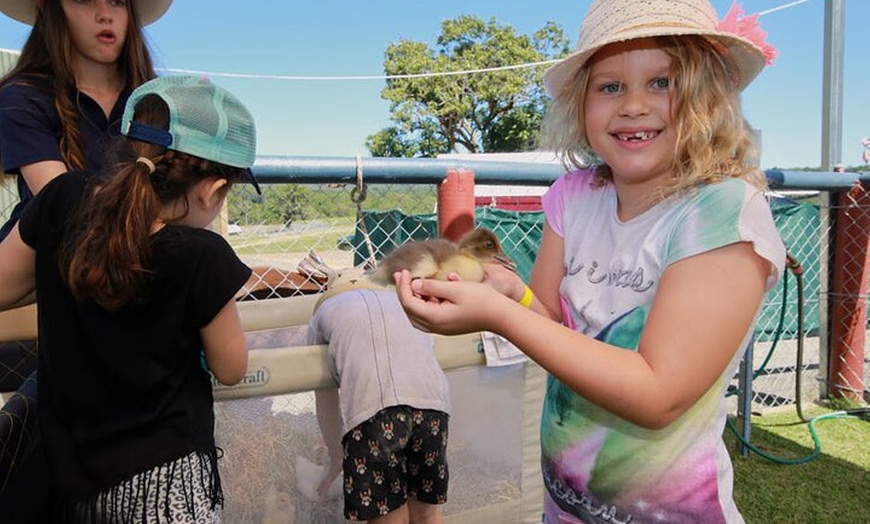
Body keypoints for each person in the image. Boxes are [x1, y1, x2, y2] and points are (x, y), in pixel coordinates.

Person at [395, 1, 786, 523]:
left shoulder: (719, 211)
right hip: (565, 507)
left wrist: (496, 314)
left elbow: (658, 392)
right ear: (581, 105)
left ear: (709, 99)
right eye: (609, 86)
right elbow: (555, 327)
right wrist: (511, 295)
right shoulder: (573, 198)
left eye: (662, 83)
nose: (632, 106)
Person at [0, 74, 258, 522]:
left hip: (72, 481)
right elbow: (232, 368)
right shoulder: (203, 256)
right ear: (212, 190)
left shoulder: (63, 199)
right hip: (167, 490)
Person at [0, 0, 170, 239]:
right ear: (48, 8)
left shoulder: (160, 103)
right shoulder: (21, 97)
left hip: (146, 250)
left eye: (117, 2)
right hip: (48, 256)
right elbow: (66, 202)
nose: (104, 14)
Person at [309, 279, 451, 524]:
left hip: (374, 414)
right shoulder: (401, 302)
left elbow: (325, 399)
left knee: (388, 516)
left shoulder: (323, 312)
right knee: (426, 513)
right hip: (433, 407)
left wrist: (335, 456)